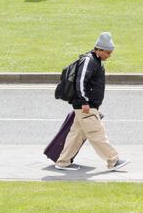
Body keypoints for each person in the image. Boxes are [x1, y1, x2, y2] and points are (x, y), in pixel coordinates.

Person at [54, 32, 128, 172]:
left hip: (86, 106)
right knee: (97, 133)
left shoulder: (96, 61)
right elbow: (80, 81)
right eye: (108, 52)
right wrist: (85, 102)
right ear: (99, 49)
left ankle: (62, 162)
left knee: (76, 135)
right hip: (85, 107)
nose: (109, 55)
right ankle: (113, 160)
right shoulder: (89, 60)